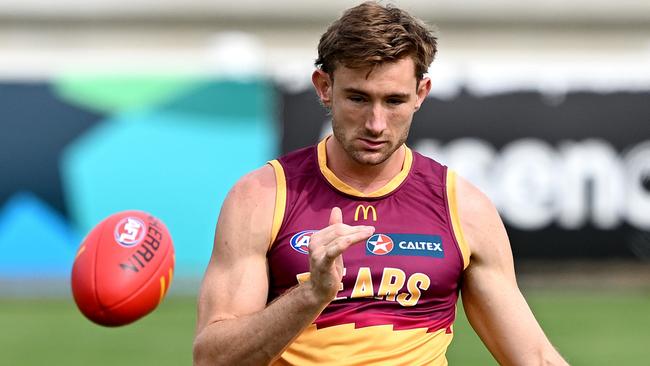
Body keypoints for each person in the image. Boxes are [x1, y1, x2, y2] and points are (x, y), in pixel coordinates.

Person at [193, 2, 569, 365]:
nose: (375, 123)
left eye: (394, 101)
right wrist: (311, 294)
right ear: (324, 87)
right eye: (358, 98)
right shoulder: (262, 197)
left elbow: (535, 358)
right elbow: (213, 359)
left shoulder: (463, 208)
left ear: (421, 94)